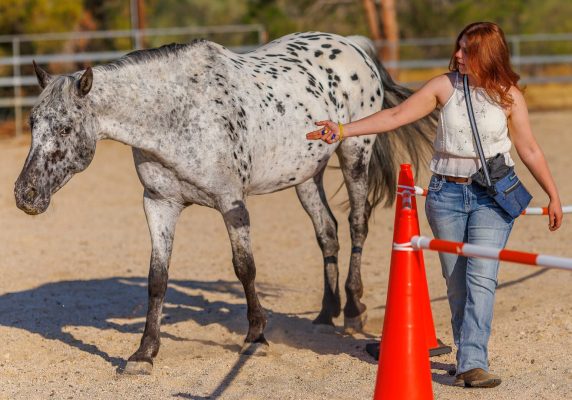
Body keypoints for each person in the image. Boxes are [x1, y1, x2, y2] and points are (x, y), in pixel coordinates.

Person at [306, 22, 563, 388]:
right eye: (457, 47)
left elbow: (530, 149)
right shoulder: (444, 87)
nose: (457, 55)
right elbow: (396, 117)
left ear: (487, 54)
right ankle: (467, 354)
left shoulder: (509, 96)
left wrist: (553, 194)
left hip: (492, 198)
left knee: (481, 279)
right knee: (457, 284)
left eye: (466, 50)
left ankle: (473, 361)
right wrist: (344, 130)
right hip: (446, 197)